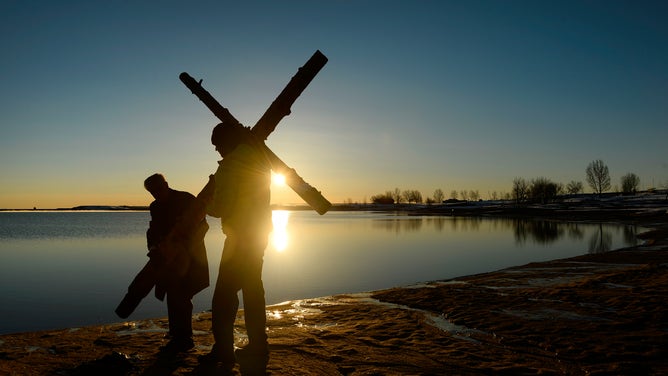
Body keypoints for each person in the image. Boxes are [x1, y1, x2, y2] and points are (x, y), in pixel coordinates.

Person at [199, 122, 273, 368]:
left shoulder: (230, 166)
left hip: (240, 237)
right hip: (260, 234)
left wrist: (208, 203)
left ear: (227, 142)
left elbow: (222, 208)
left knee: (223, 297)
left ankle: (223, 350)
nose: (217, 151)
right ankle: (258, 346)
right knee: (253, 291)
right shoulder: (261, 159)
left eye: (218, 145)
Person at [143, 173, 210, 353]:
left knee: (184, 294)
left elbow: (204, 225)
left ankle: (185, 338)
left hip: (192, 257)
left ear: (165, 184)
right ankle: (176, 334)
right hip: (168, 259)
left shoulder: (186, 199)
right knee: (172, 294)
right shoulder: (155, 206)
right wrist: (154, 248)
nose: (156, 194)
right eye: (152, 192)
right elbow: (153, 230)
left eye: (157, 189)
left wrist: (187, 247)